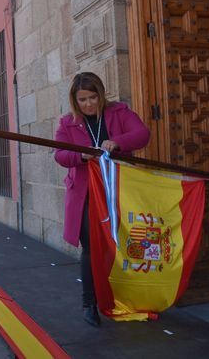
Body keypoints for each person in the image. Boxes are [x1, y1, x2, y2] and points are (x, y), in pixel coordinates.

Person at [54, 72, 150, 327]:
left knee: (125, 243)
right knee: (92, 246)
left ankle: (125, 297)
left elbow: (143, 134)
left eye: (92, 97)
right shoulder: (67, 123)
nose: (88, 104)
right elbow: (60, 155)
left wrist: (117, 142)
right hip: (85, 195)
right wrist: (80, 156)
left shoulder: (119, 112)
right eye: (82, 99)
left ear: (101, 94)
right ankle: (89, 304)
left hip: (120, 189)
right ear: (75, 100)